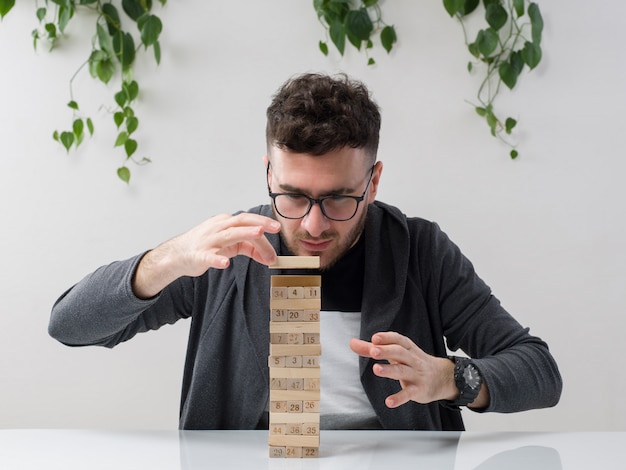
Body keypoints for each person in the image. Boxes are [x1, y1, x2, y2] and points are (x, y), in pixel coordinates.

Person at [49, 72, 562, 431]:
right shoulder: (226, 248)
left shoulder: (420, 250)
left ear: (373, 181)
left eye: (339, 198)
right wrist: (170, 258)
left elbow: (540, 372)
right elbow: (69, 326)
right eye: (293, 195)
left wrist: (452, 378)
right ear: (269, 174)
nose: (314, 224)